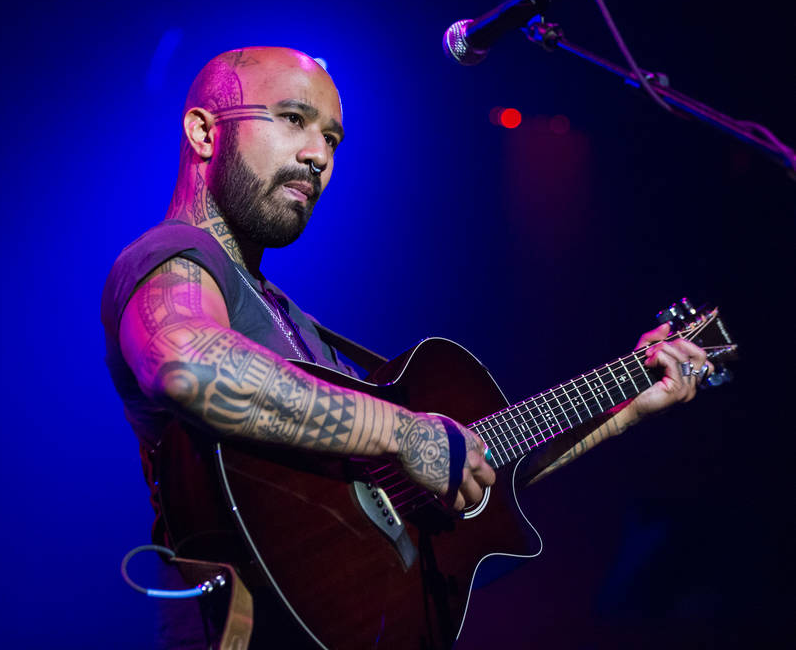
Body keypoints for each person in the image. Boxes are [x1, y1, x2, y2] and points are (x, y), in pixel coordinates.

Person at [101, 47, 711, 649]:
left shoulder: (292, 323)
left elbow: (467, 461)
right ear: (205, 133)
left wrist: (630, 403)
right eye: (292, 119)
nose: (318, 155)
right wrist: (403, 432)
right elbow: (185, 364)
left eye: (333, 139)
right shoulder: (171, 256)